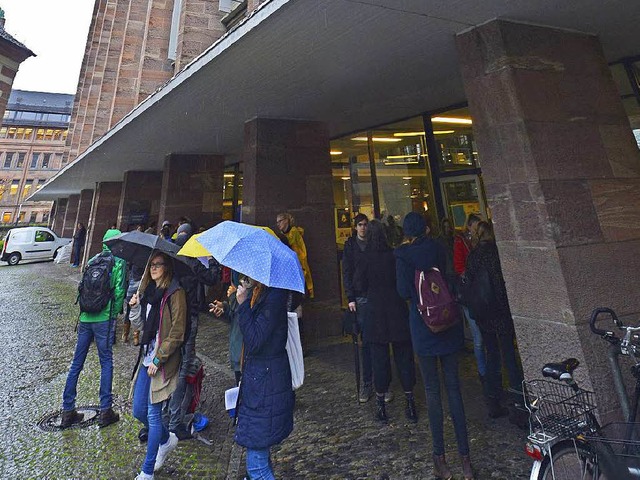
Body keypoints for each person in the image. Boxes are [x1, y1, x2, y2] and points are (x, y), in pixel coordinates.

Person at [395, 212, 474, 480]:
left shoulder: (402, 256)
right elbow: (451, 278)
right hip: (448, 324)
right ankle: (465, 459)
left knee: (432, 392)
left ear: (407, 232)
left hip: (423, 327)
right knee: (454, 390)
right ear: (426, 229)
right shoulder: (440, 247)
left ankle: (440, 459)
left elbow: (404, 292)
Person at [60, 228, 126, 429]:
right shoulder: (118, 262)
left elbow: (82, 287)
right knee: (106, 362)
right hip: (104, 318)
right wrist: (113, 314)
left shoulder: (93, 260)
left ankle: (67, 410)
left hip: (85, 317)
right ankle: (105, 410)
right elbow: (120, 291)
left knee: (76, 364)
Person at [129, 252, 187, 480]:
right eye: (150, 264)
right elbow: (142, 327)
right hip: (146, 358)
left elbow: (177, 332)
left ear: (167, 267)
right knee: (138, 410)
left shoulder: (175, 293)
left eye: (158, 265)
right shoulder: (150, 293)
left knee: (153, 414)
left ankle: (147, 470)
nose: (153, 268)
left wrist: (158, 358)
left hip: (162, 362)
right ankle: (166, 438)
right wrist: (134, 307)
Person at [354, 219, 417, 423]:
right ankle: (410, 401)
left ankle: (381, 405)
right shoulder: (394, 256)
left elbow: (358, 284)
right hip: (397, 310)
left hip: (375, 313)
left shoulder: (365, 259)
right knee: (404, 357)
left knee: (379, 359)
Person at [464, 221, 524, 422]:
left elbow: (470, 285)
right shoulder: (498, 254)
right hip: (500, 313)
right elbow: (503, 284)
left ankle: (493, 399)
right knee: (509, 356)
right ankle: (518, 403)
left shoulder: (473, 257)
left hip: (484, 314)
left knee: (492, 356)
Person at [235, 278, 294, 480]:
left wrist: (242, 304)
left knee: (257, 467)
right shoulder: (262, 292)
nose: (244, 277)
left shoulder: (274, 296)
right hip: (260, 380)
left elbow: (255, 339)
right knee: (260, 457)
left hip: (266, 383)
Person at [166, 256, 219, 440]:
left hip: (172, 321)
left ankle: (166, 415)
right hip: (189, 319)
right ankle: (176, 419)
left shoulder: (171, 260)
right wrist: (212, 261)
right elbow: (211, 278)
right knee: (184, 369)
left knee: (172, 367)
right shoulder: (192, 261)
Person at [341, 213, 374, 403]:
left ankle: (377, 383)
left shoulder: (372, 244)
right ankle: (367, 383)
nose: (363, 228)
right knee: (366, 343)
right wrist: (350, 297)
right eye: (360, 225)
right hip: (360, 297)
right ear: (355, 227)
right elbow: (346, 271)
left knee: (376, 340)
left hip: (373, 296)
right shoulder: (351, 246)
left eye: (365, 224)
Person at [453, 213, 486, 389]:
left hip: (482, 293)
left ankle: (489, 368)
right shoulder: (461, 242)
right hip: (471, 293)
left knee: (484, 334)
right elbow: (458, 266)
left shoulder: (481, 243)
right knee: (478, 336)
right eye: (477, 224)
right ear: (471, 225)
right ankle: (483, 371)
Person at [210, 272, 255, 385]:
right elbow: (235, 314)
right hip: (237, 349)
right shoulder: (237, 276)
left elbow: (245, 310)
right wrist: (224, 308)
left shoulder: (253, 285)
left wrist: (233, 298)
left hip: (246, 352)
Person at [276, 212, 313, 299]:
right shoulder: (284, 233)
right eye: (277, 222)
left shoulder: (293, 232)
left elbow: (289, 243)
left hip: (299, 263)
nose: (278, 224)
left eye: (280, 221)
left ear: (286, 221)